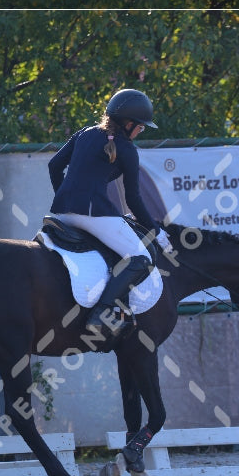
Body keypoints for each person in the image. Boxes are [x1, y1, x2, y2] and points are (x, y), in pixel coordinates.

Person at [48, 88, 172, 336]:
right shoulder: (126, 149)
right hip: (94, 215)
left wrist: (65, 198)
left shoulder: (85, 133)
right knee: (141, 259)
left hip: (60, 213)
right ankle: (102, 313)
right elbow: (133, 199)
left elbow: (54, 166)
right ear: (129, 124)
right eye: (141, 127)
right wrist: (155, 231)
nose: (140, 131)